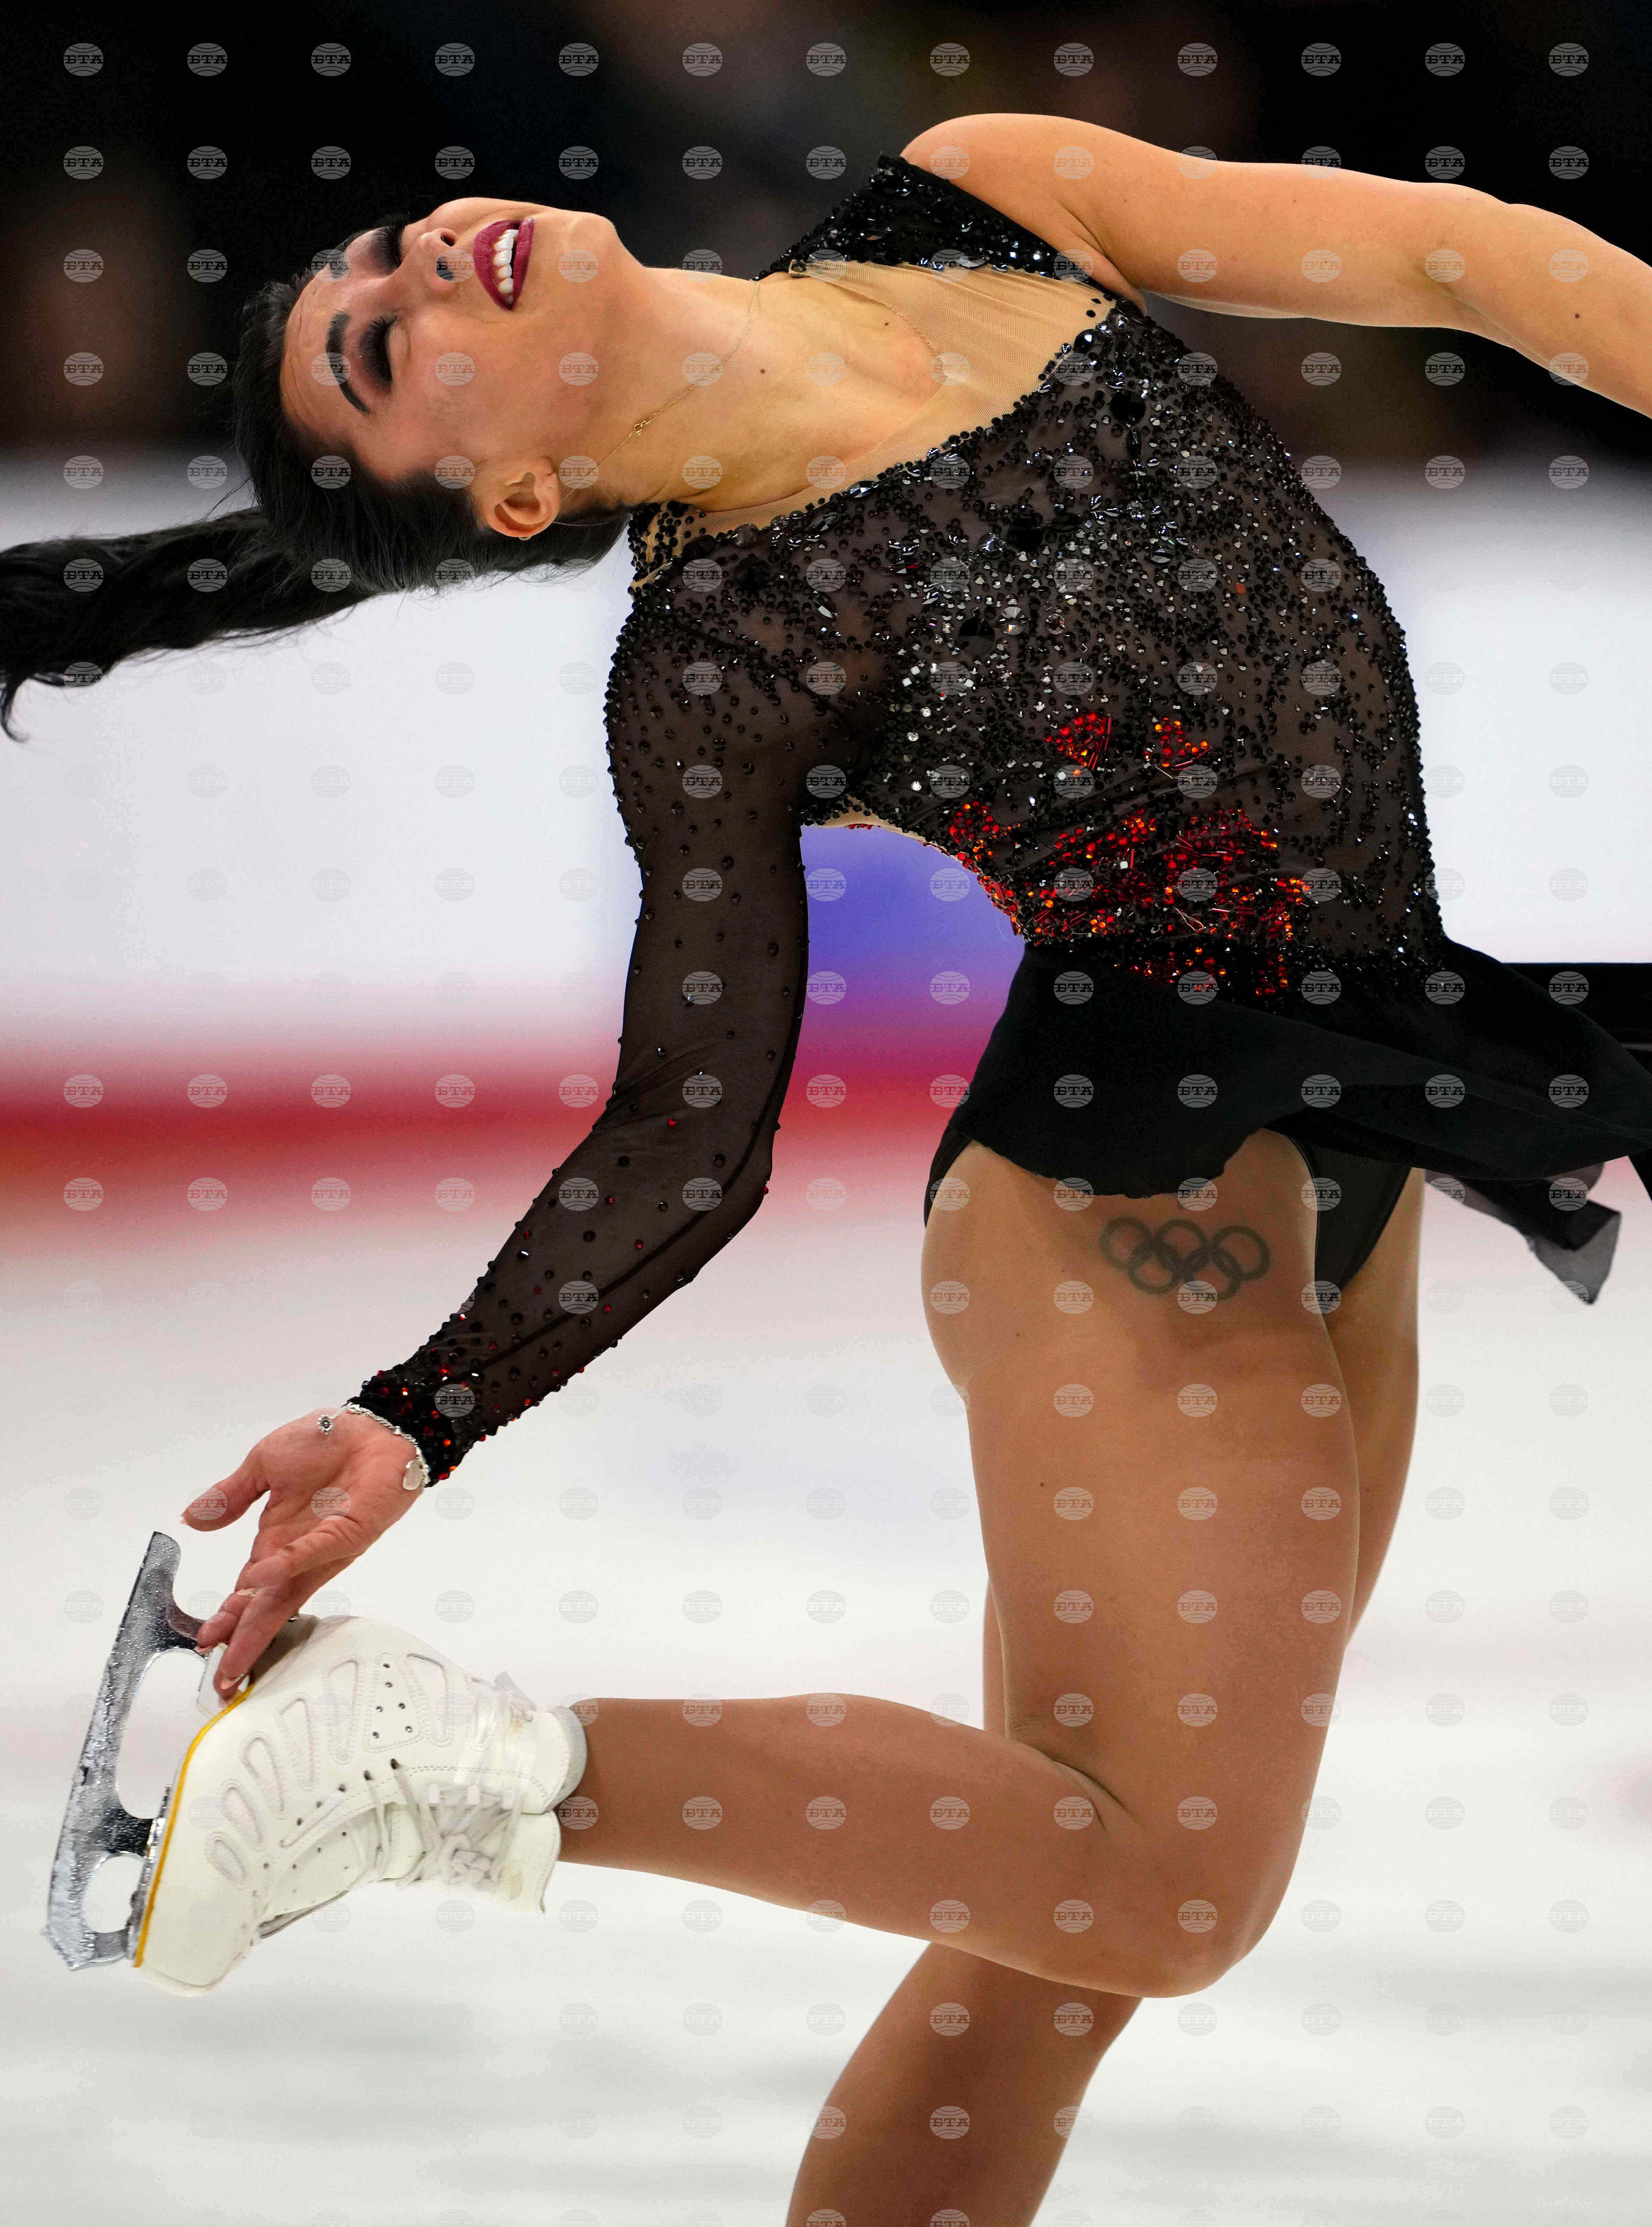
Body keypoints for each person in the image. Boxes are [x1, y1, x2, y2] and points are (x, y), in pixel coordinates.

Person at [14, 115, 1652, 2216]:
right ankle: (464, 1761)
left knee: (1054, 1937)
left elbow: (1465, 253)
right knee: (1163, 1891)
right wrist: (420, 1414)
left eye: (385, 252)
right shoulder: (721, 652)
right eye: (382, 341)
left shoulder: (978, 194)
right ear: (515, 497)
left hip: (1365, 1113)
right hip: (1131, 1174)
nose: (419, 261)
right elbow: (693, 1126)